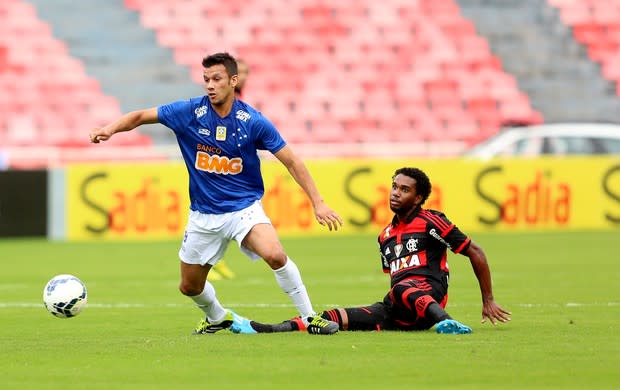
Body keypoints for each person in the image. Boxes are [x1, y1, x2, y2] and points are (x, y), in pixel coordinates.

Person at [89, 52, 343, 335]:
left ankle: (310, 318)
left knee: (275, 255)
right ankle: (217, 317)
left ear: (233, 81)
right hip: (203, 216)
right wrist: (108, 129)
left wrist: (318, 203)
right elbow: (139, 116)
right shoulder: (188, 113)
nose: (210, 85)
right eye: (206, 79)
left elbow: (293, 162)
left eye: (217, 79)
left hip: (242, 210)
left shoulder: (252, 121)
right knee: (189, 287)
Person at [230, 167, 511, 335]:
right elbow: (393, 277)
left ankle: (447, 323)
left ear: (419, 197)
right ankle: (260, 328)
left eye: (404, 189)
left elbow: (476, 252)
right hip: (396, 310)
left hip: (429, 297)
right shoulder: (385, 235)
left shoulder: (431, 221)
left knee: (402, 287)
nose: (396, 193)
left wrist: (488, 299)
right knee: (329, 318)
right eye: (394, 187)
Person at [208, 57, 250, 282]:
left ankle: (215, 260)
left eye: (246, 72)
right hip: (215, 169)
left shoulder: (241, 104)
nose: (243, 76)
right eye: (240, 72)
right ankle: (213, 261)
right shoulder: (218, 102)